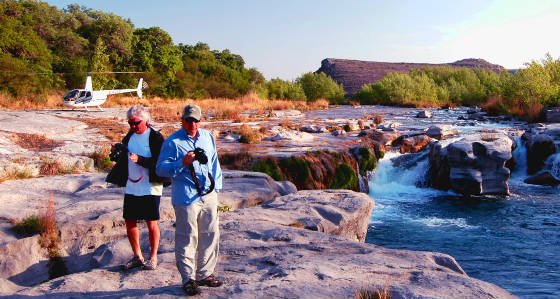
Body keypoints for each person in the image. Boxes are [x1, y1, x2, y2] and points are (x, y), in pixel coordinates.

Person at [156, 104, 223, 296]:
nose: (192, 124)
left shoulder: (208, 137)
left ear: (200, 121)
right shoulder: (172, 142)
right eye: (189, 120)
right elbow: (160, 169)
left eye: (196, 120)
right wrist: (181, 163)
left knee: (210, 233)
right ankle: (188, 279)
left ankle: (205, 274)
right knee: (187, 237)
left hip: (208, 194)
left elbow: (215, 163)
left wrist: (216, 189)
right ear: (182, 120)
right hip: (186, 196)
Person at [109, 106, 168, 271]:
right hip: (132, 184)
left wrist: (140, 160)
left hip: (151, 186)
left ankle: (153, 257)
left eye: (136, 123)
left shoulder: (155, 138)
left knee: (151, 223)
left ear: (146, 121)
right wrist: (118, 149)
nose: (133, 126)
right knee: (129, 221)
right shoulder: (130, 135)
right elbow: (126, 152)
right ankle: (137, 256)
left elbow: (161, 163)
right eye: (130, 123)